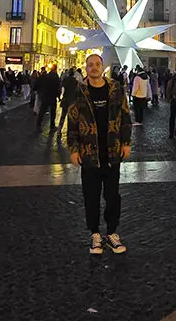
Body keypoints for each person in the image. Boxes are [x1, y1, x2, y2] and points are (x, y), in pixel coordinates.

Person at [66, 53, 132, 255]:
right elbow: (72, 124)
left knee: (113, 196)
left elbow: (125, 117)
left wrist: (127, 143)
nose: (94, 67)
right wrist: (74, 149)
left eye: (97, 64)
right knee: (91, 196)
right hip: (89, 154)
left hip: (112, 152)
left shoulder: (115, 89)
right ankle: (95, 233)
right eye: (90, 65)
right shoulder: (79, 92)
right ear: (85, 68)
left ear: (103, 67)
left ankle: (112, 232)